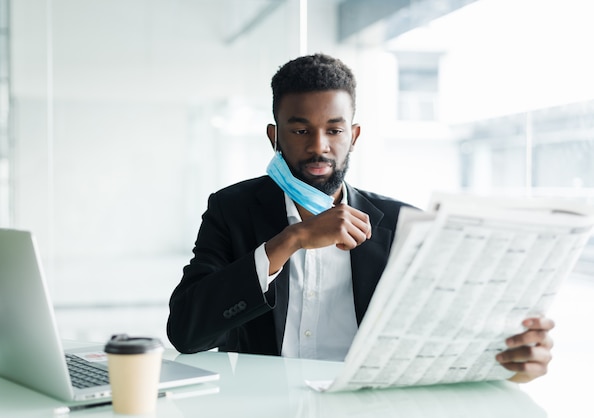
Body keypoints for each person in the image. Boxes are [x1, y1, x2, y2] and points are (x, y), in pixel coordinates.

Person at [167, 53, 554, 384]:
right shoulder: (230, 209)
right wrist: (290, 241)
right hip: (269, 406)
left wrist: (507, 364)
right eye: (300, 129)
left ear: (353, 136)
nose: (319, 146)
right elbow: (187, 333)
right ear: (274, 136)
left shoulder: (404, 224)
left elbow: (442, 335)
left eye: (334, 130)